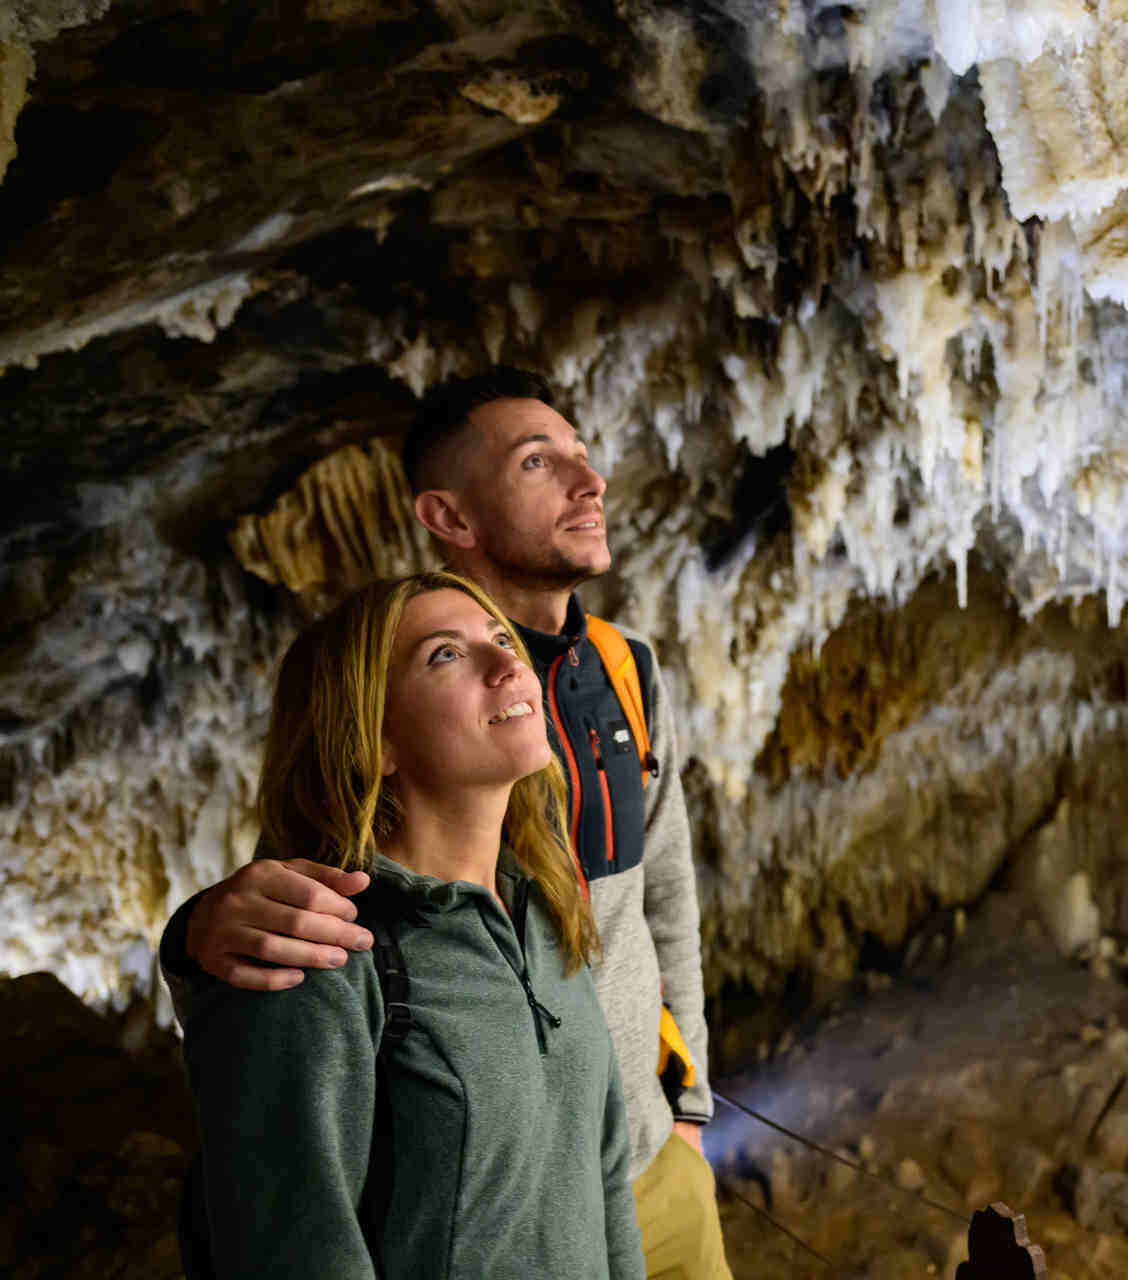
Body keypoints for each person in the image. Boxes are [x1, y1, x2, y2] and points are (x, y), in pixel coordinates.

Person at [162, 368, 732, 1279]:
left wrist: (691, 1105)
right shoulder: (389, 681)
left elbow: (666, 894)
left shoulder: (627, 671)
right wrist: (193, 939)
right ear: (451, 519)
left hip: (644, 1159)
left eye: (583, 455)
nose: (590, 484)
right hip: (489, 1188)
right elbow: (314, 898)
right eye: (540, 462)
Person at [182, 572, 645, 1278]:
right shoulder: (320, 948)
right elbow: (298, 1252)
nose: (508, 662)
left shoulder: (547, 913)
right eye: (446, 655)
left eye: (498, 637)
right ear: (377, 739)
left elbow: (606, 1175)